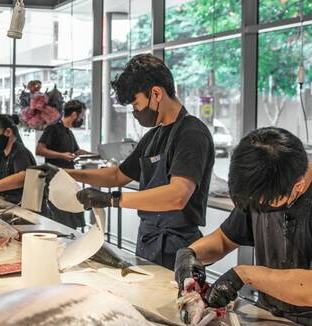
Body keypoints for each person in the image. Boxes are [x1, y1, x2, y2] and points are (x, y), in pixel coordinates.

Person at [174, 127, 312, 326]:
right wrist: (190, 255)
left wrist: (243, 275)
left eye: (267, 206)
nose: (259, 211)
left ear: (298, 186)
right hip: (270, 323)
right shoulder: (262, 189)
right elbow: (224, 239)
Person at [40, 54, 215, 269]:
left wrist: (112, 200)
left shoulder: (192, 134)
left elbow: (177, 195)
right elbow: (117, 175)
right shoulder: (154, 136)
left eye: (136, 103)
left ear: (156, 94)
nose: (135, 112)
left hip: (178, 249)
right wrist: (63, 173)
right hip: (148, 241)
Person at [36, 99, 89, 228]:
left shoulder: (69, 132)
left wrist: (95, 154)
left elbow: (76, 151)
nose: (81, 119)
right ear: (74, 115)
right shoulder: (52, 129)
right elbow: (39, 150)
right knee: (61, 221)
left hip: (68, 181)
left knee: (72, 221)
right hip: (55, 182)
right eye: (81, 115)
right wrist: (62, 155)